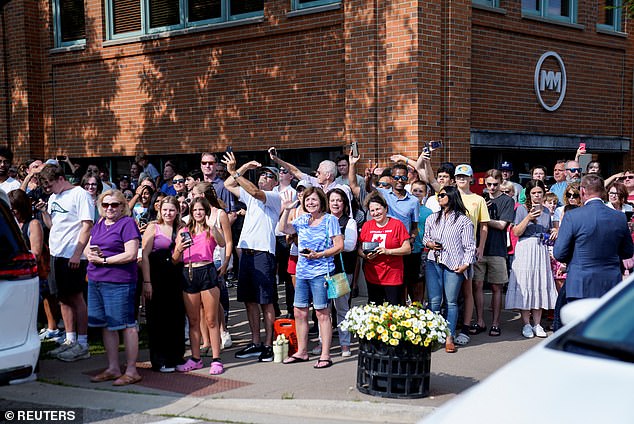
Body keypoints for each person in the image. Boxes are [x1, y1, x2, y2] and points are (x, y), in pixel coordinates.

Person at [221, 151, 282, 362]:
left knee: (266, 302)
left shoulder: (275, 197)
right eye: (262, 174)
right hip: (246, 254)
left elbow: (254, 191)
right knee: (249, 300)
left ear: (275, 182)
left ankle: (268, 344)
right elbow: (229, 184)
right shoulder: (249, 194)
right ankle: (256, 342)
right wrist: (244, 166)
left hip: (263, 254)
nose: (264, 178)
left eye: (269, 176)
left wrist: (236, 174)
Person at [278, 187, 343, 368]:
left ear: (321, 201)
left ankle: (325, 354)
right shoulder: (303, 219)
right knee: (300, 312)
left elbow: (339, 245)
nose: (310, 203)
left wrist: (320, 254)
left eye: (314, 199)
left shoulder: (330, 220)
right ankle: (302, 351)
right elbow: (282, 229)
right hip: (302, 273)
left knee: (322, 313)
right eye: (307, 200)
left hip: (321, 272)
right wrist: (288, 209)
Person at [37, 164, 94, 361]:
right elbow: (53, 225)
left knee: (76, 297)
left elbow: (87, 225)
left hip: (72, 254)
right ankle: (70, 339)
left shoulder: (80, 194)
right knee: (62, 297)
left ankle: (83, 343)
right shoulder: (54, 197)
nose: (47, 190)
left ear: (61, 178)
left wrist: (77, 254)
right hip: (56, 253)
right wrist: (45, 211)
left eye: (49, 185)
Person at [85, 190, 142, 386]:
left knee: (126, 325)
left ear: (122, 206)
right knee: (107, 325)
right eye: (106, 204)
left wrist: (105, 260)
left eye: (115, 204)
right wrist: (91, 255)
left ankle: (132, 370)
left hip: (119, 282)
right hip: (96, 280)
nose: (110, 208)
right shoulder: (100, 223)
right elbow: (89, 244)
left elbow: (131, 254)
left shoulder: (127, 224)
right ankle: (113, 368)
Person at [554, 174, 634, 304]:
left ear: (582, 191)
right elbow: (627, 252)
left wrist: (575, 259)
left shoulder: (572, 216)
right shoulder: (619, 217)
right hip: (610, 283)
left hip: (580, 282)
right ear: (603, 192)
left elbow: (559, 253)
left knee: (580, 323)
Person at [172, 197, 226, 374]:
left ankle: (216, 359)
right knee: (193, 320)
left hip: (207, 271)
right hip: (189, 273)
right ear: (191, 212)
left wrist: (212, 225)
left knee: (211, 319)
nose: (198, 213)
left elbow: (222, 242)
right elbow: (175, 257)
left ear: (206, 211)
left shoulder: (211, 229)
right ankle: (196, 358)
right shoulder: (184, 230)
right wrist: (180, 247)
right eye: (195, 210)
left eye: (201, 210)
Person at [423, 185, 476, 353]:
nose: (439, 197)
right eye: (439, 195)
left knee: (451, 302)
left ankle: (449, 337)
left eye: (443, 195)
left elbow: (469, 246)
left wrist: (466, 264)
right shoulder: (432, 218)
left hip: (454, 265)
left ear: (452, 197)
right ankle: (432, 336)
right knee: (434, 302)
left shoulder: (464, 221)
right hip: (433, 262)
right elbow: (425, 237)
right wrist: (429, 243)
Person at [505, 179, 558, 339]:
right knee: (526, 283)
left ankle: (537, 323)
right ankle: (526, 323)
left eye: (539, 193)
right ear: (529, 194)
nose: (536, 196)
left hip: (541, 249)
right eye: (533, 193)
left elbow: (549, 231)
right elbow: (516, 232)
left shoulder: (547, 212)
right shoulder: (522, 209)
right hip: (525, 248)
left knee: (539, 284)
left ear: (543, 194)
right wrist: (528, 217)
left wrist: (554, 231)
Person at [141, 196, 186, 373]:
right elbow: (144, 255)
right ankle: (159, 360)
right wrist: (147, 282)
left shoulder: (181, 228)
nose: (168, 213)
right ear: (160, 210)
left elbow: (183, 252)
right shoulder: (153, 227)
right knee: (157, 318)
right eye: (165, 210)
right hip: (156, 275)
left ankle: (175, 356)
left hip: (175, 275)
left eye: (171, 210)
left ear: (177, 211)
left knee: (175, 316)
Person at [472, 170, 514, 337]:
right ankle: (480, 320)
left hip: (497, 249)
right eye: (488, 184)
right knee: (477, 286)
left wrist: (483, 216)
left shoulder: (507, 201)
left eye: (495, 184)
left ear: (500, 183)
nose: (491, 187)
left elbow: (502, 225)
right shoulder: (480, 199)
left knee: (497, 287)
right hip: (478, 248)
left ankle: (496, 323)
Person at [453, 164, 489, 346]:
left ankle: (465, 328)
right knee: (449, 293)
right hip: (449, 250)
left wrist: (480, 247)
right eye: (458, 176)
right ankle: (449, 328)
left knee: (468, 290)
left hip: (467, 250)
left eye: (464, 176)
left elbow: (484, 225)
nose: (461, 179)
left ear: (470, 179)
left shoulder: (478, 199)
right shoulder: (450, 196)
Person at [358, 192, 411, 305]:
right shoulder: (367, 226)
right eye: (372, 210)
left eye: (378, 209)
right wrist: (365, 255)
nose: (375, 213)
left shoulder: (397, 224)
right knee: (374, 310)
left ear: (386, 208)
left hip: (393, 275)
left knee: (393, 310)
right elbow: (359, 248)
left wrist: (388, 251)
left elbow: (407, 249)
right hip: (372, 275)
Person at [326, 188, 357, 356]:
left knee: (341, 308)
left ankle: (345, 344)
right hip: (322, 271)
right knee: (323, 310)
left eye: (339, 200)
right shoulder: (322, 220)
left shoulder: (349, 222)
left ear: (344, 204)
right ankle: (325, 345)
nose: (335, 203)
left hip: (340, 272)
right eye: (332, 200)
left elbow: (350, 245)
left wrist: (332, 244)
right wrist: (339, 241)